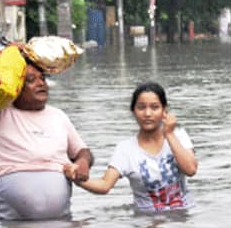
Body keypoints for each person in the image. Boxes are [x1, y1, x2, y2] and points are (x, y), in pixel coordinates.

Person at [0, 50, 93, 220]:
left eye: (42, 78)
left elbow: (82, 151)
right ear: (16, 86)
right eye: (30, 80)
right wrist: (8, 54)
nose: (41, 83)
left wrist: (82, 163)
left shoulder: (58, 116)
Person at [68, 82, 197, 212]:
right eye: (141, 107)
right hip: (146, 223)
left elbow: (191, 169)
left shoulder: (178, 136)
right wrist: (76, 177)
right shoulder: (126, 149)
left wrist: (169, 134)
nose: (147, 113)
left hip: (183, 220)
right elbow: (105, 185)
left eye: (154, 107)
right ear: (133, 111)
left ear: (164, 110)